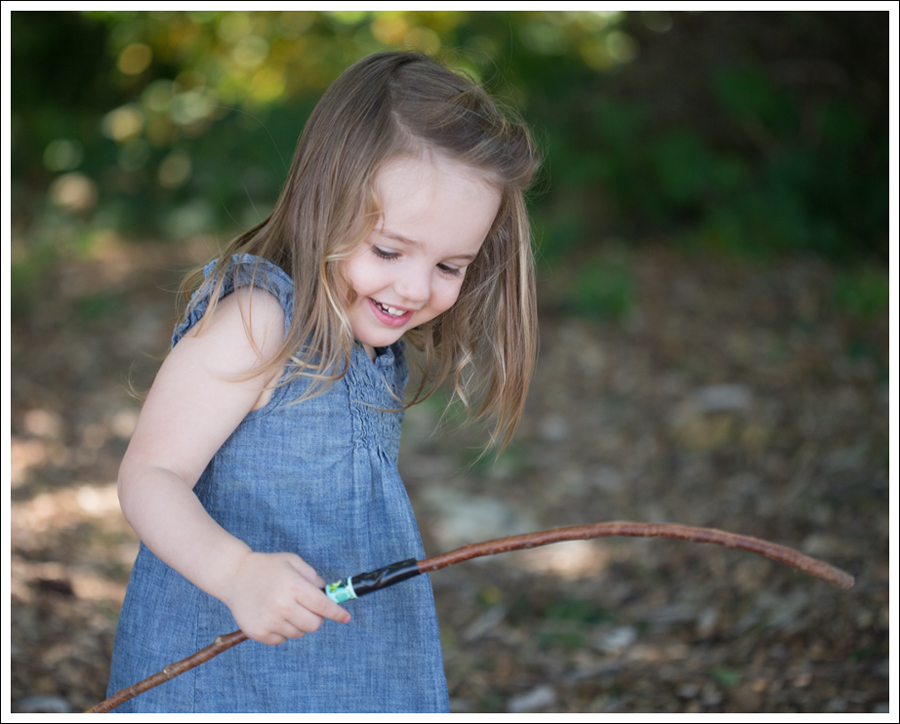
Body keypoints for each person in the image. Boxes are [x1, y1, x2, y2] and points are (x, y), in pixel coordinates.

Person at [106, 50, 539, 713]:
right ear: (322, 204)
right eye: (389, 251)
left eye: (452, 266)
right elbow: (149, 476)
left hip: (349, 667)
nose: (416, 288)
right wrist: (235, 571)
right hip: (228, 679)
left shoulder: (364, 347)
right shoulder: (258, 321)